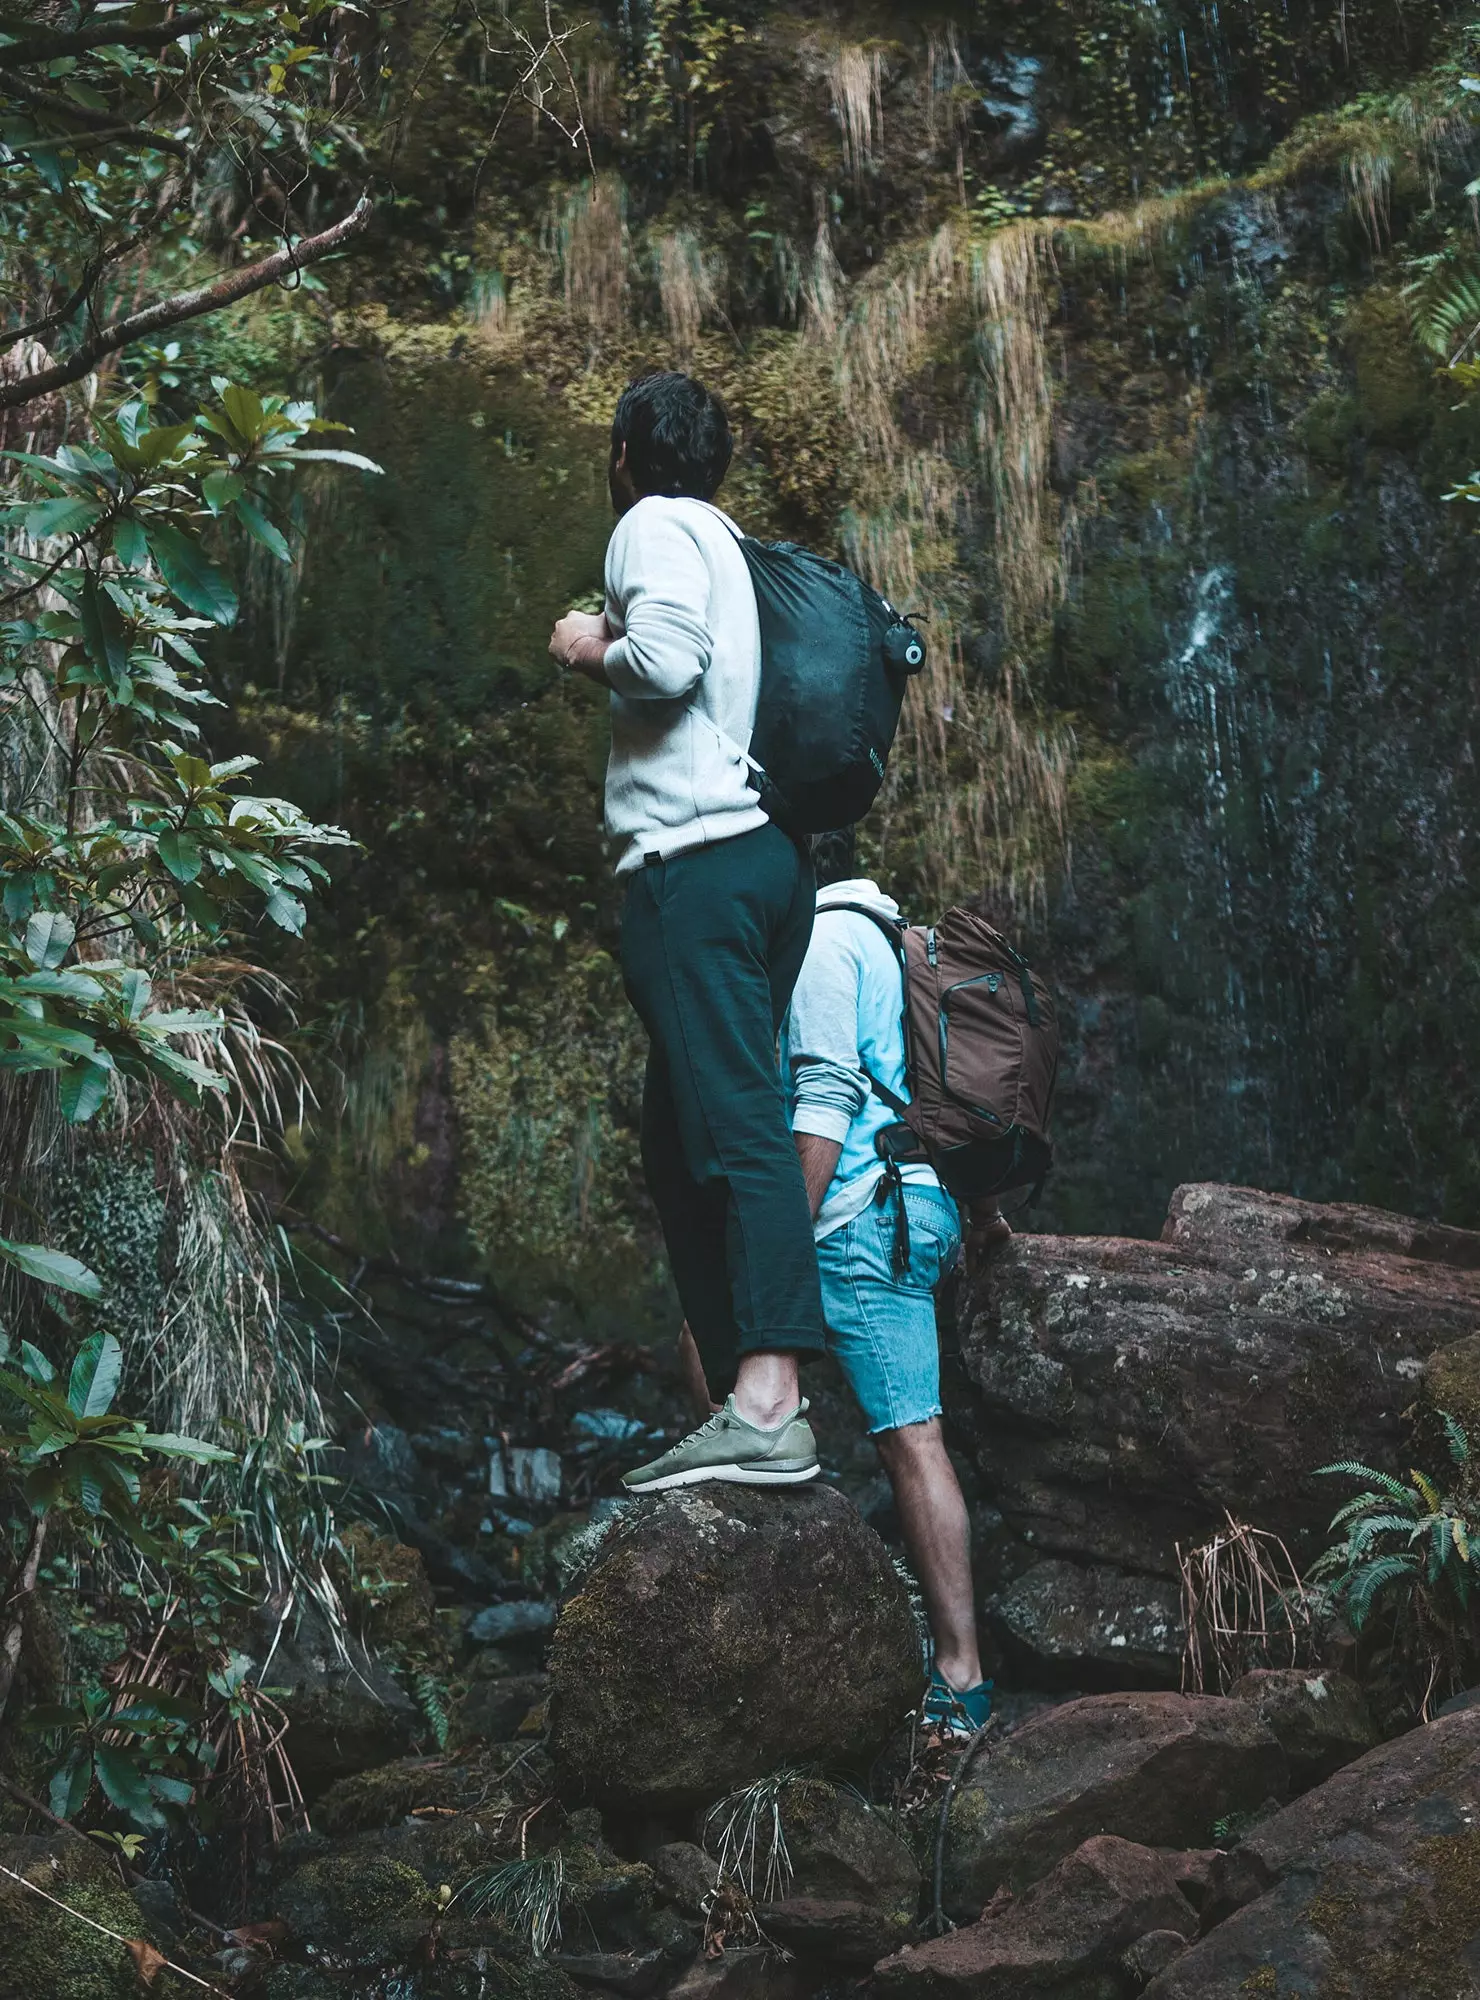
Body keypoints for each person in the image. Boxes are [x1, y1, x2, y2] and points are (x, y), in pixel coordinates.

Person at [548, 370, 825, 1493]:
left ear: (624, 453)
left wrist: (583, 644)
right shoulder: (726, 541)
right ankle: (733, 1401)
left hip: (697, 866)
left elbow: (663, 663)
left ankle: (770, 1400)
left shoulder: (652, 526)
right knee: (679, 1141)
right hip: (765, 860)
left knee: (740, 1122)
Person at [678, 825, 1004, 1734]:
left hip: (858, 1213)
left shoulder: (822, 939)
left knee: (906, 1436)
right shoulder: (893, 938)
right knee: (899, 1431)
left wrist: (771, 1249)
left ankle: (960, 1680)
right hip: (915, 1201)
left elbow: (827, 1097)